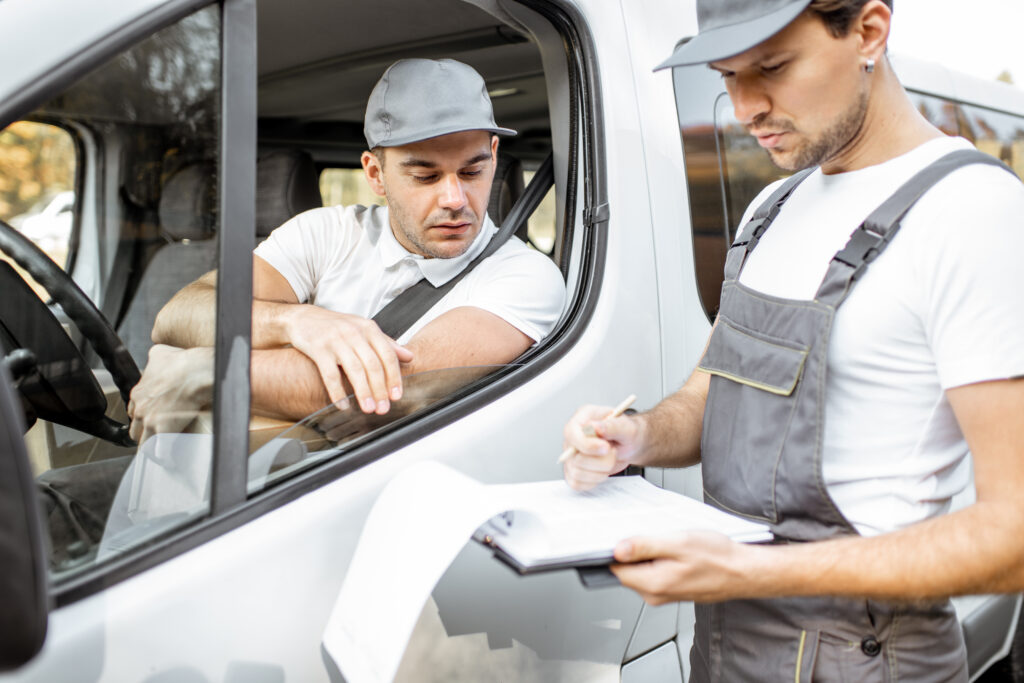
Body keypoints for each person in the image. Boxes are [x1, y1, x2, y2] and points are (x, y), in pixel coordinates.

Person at [561, 1, 1024, 680]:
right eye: (726, 75)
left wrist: (750, 568)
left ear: (869, 30)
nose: (745, 106)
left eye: (772, 66)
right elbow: (710, 391)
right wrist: (634, 435)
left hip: (864, 656)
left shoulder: (973, 213)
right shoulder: (769, 209)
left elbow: (1013, 534)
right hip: (725, 644)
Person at [127, 58, 565, 441]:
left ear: (493, 153)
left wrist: (206, 371)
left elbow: (399, 387)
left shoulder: (527, 276)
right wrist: (299, 322)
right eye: (425, 176)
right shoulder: (326, 233)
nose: (455, 198)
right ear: (375, 174)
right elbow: (179, 315)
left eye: (472, 171)